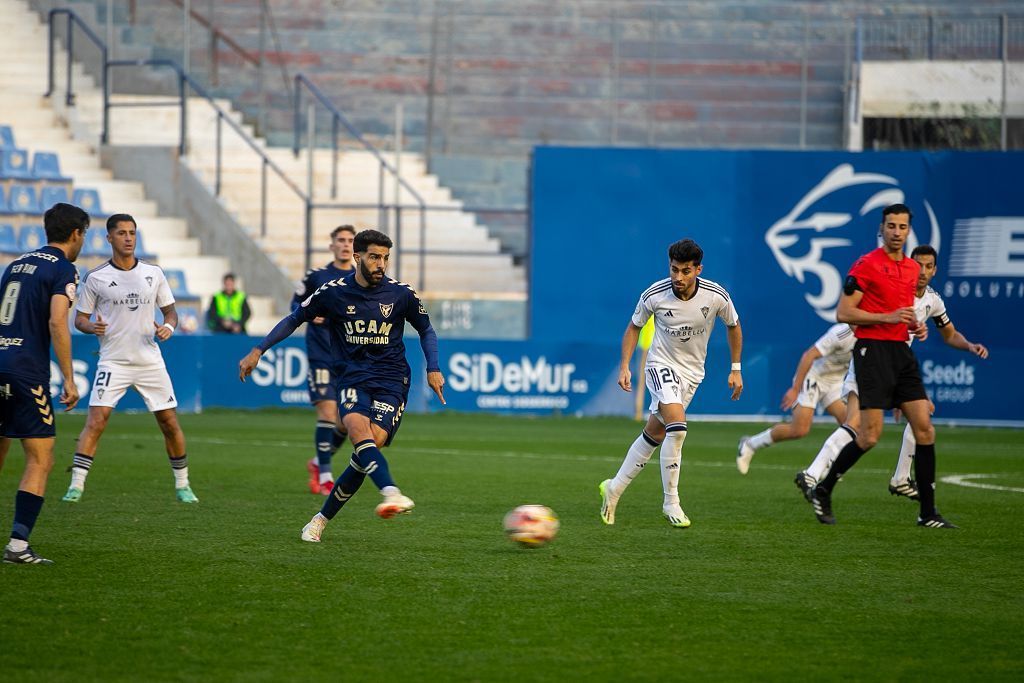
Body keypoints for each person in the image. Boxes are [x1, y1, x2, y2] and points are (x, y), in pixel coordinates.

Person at [238, 229, 446, 543]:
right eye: (375, 257)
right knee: (356, 431)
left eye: (386, 258)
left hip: (392, 380)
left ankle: (320, 520)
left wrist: (433, 368)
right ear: (358, 256)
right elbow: (295, 318)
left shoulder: (401, 294)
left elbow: (426, 330)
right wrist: (258, 350)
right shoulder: (332, 292)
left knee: (367, 452)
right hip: (352, 377)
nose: (381, 264)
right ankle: (391, 492)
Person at [806, 203, 954, 528]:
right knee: (869, 435)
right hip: (871, 352)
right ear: (883, 228)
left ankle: (928, 513)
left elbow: (904, 312)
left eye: (902, 227)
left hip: (901, 352)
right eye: (891, 226)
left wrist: (916, 325)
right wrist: (886, 318)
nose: (896, 232)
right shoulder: (866, 265)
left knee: (925, 428)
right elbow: (844, 313)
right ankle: (823, 488)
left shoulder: (913, 271)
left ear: (908, 230)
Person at [599, 238, 743, 528]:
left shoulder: (716, 296)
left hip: (692, 374)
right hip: (660, 365)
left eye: (685, 271)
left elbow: (734, 326)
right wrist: (625, 365)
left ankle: (613, 489)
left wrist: (736, 368)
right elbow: (633, 327)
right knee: (677, 428)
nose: (678, 277)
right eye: (674, 269)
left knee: (656, 432)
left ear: (698, 270)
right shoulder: (655, 294)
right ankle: (671, 502)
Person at [60, 214, 198, 504]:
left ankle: (183, 485)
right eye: (121, 233)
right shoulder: (96, 277)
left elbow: (171, 312)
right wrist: (90, 326)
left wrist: (169, 327)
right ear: (109, 238)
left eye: (132, 232)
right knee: (96, 420)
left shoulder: (154, 273)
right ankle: (76, 485)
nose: (128, 237)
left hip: (149, 360)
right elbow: (79, 320)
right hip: (114, 361)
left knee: (169, 422)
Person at [0, 202, 87, 564]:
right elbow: (57, 322)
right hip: (26, 370)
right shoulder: (64, 269)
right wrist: (68, 377)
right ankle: (18, 546)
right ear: (76, 234)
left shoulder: (15, 265)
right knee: (41, 458)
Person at [887, 244, 988, 496]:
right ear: (908, 265)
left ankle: (900, 478)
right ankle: (820, 477)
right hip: (875, 357)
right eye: (917, 264)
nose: (922, 271)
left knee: (921, 414)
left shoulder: (932, 300)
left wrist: (969, 346)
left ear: (935, 270)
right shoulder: (895, 290)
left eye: (928, 266)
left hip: (897, 363)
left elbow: (950, 334)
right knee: (859, 429)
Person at [736, 322, 855, 474]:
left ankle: (826, 467)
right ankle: (750, 444)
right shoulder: (841, 333)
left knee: (851, 424)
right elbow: (809, 355)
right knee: (799, 430)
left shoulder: (871, 336)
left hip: (835, 382)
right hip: (814, 378)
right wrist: (795, 389)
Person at [293, 225, 356, 496]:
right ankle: (326, 478)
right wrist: (308, 313)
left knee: (345, 422)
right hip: (320, 356)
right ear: (331, 245)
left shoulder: (360, 279)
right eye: (340, 240)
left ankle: (318, 463)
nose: (345, 245)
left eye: (350, 241)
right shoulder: (316, 277)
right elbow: (295, 307)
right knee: (328, 413)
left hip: (349, 358)